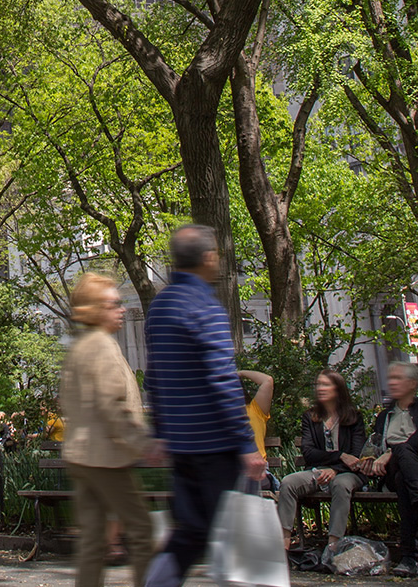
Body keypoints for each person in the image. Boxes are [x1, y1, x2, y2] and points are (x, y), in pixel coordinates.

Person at [142, 224, 267, 587]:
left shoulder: (161, 306)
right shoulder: (206, 308)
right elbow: (223, 381)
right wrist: (246, 443)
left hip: (182, 446)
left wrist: (161, 433)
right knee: (231, 536)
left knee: (191, 531)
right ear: (208, 258)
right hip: (216, 444)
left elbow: (155, 378)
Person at [60, 271, 153, 587]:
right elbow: (112, 407)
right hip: (106, 458)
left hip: (80, 457)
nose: (122, 309)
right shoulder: (103, 347)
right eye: (114, 304)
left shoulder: (79, 348)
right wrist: (143, 444)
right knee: (142, 532)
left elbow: (68, 402)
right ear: (98, 309)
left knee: (93, 542)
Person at [358, 361, 418, 578]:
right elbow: (373, 445)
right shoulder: (385, 416)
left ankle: (410, 558)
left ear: (412, 383)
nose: (391, 382)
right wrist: (373, 457)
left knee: (404, 472)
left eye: (397, 378)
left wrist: (392, 452)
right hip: (391, 472)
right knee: (401, 472)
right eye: (390, 378)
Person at [274, 369, 367, 559]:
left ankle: (333, 547)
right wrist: (339, 456)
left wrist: (335, 469)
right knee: (289, 482)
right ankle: (282, 546)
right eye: (318, 385)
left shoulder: (354, 417)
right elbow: (308, 453)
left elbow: (356, 457)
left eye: (325, 384)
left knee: (341, 485)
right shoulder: (310, 417)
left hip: (348, 473)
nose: (320, 388)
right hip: (318, 471)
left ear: (338, 389)